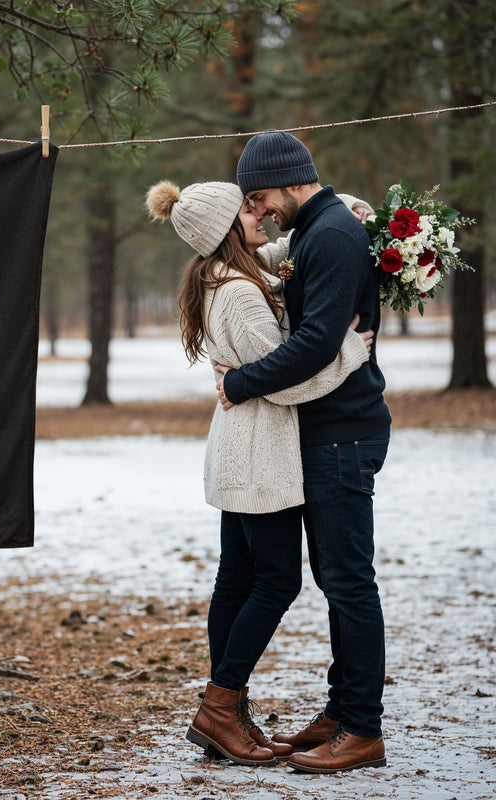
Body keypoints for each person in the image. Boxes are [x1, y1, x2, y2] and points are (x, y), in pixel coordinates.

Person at [145, 178, 373, 767]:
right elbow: (289, 378)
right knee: (277, 582)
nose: (260, 215)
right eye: (247, 210)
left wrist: (341, 213)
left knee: (237, 578)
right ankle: (220, 708)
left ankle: (227, 709)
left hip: (240, 448)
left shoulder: (221, 273)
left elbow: (278, 255)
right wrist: (351, 348)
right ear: (226, 229)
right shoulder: (241, 296)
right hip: (259, 453)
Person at [216, 130, 392, 774]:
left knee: (348, 580)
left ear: (291, 180)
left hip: (344, 430)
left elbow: (319, 342)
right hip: (324, 429)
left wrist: (239, 380)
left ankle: (363, 727)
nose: (259, 212)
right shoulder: (318, 230)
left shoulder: (334, 234)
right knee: (334, 579)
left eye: (261, 198)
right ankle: (341, 710)